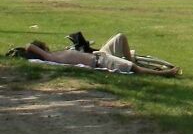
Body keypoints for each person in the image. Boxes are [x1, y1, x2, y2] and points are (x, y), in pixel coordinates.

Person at [25, 33, 179, 77]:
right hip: (101, 62)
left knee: (120, 37)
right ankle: (166, 74)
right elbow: (29, 46)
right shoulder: (51, 58)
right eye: (43, 47)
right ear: (41, 51)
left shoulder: (56, 54)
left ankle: (135, 62)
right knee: (132, 68)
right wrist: (30, 49)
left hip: (100, 55)